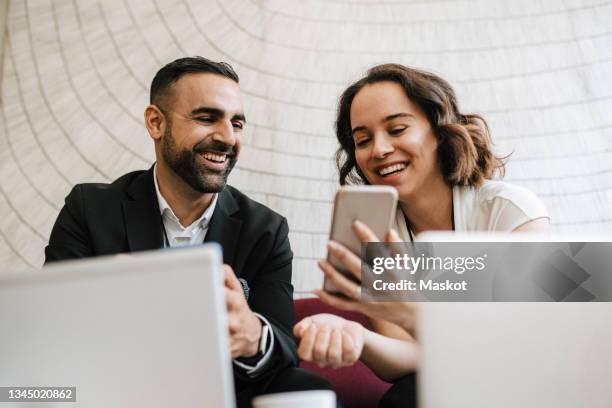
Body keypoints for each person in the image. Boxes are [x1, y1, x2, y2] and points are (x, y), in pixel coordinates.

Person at [44, 56, 333, 407]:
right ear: (156, 123)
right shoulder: (89, 208)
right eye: (207, 118)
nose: (227, 137)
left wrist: (253, 335)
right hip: (114, 388)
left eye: (237, 123)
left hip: (223, 390)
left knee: (304, 388)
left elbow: (283, 346)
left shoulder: (267, 229)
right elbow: (52, 326)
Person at [293, 63, 550, 408]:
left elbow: (516, 353)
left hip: (524, 385)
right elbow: (411, 359)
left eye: (397, 129)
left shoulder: (510, 213)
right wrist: (358, 337)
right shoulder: (376, 234)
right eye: (363, 140)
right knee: (411, 392)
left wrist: (413, 312)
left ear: (440, 129)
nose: (379, 150)